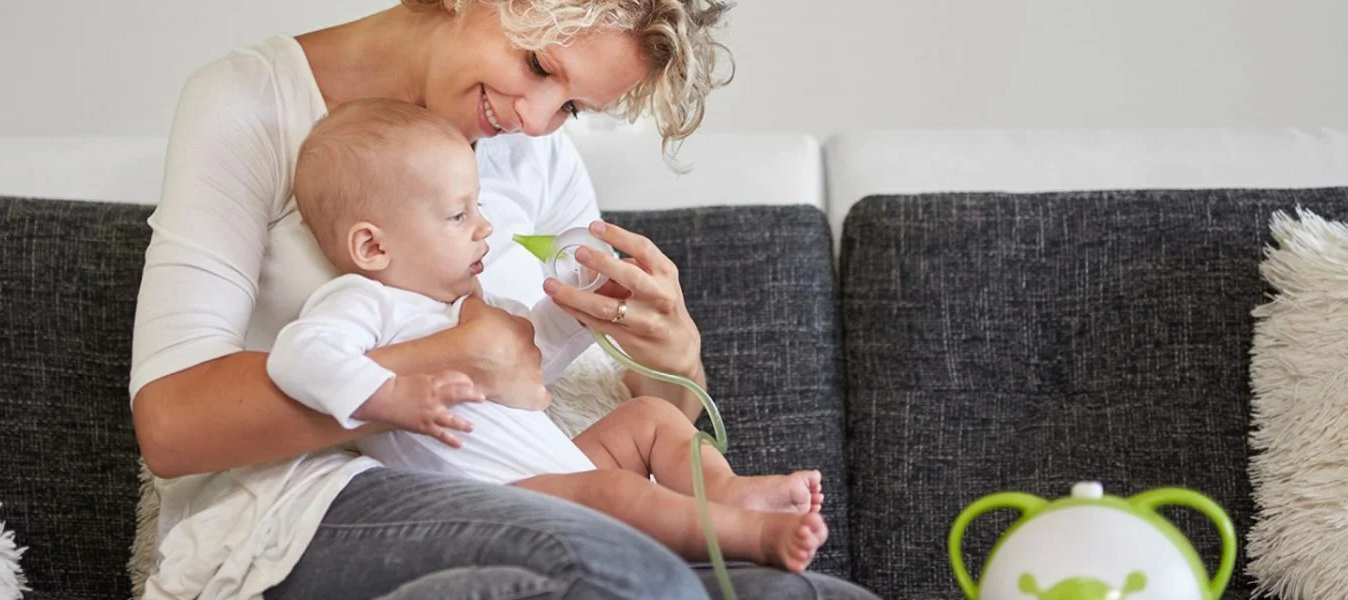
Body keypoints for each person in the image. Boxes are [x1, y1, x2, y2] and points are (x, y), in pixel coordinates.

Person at [129, 1, 884, 598]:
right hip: (312, 503)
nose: (535, 119)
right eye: (536, 64)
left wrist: (671, 358)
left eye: (574, 107)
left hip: (527, 476)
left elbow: (582, 381)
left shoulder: (539, 150)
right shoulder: (253, 103)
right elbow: (170, 425)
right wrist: (454, 359)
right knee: (623, 573)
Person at [267, 98, 829, 574]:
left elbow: (534, 363)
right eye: (458, 216)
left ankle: (725, 489)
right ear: (373, 247)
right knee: (612, 494)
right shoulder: (367, 302)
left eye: (479, 205)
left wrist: (584, 311)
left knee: (651, 422)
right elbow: (299, 355)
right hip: (492, 505)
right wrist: (388, 394)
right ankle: (747, 536)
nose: (485, 227)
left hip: (557, 474)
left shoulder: (471, 303)